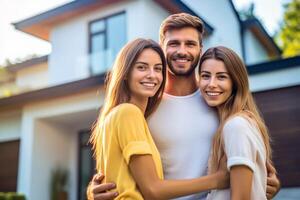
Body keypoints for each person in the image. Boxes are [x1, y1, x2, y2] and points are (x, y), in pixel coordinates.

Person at [88, 13, 280, 200]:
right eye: (173, 43)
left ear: (200, 49)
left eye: (190, 44)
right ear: (162, 48)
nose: (182, 51)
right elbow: (117, 165)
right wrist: (93, 191)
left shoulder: (217, 100)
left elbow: (250, 160)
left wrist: (268, 183)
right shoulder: (145, 104)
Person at [90, 38, 228, 200]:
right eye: (142, 67)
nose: (152, 75)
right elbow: (153, 190)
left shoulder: (117, 116)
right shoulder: (128, 113)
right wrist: (217, 180)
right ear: (125, 73)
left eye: (158, 69)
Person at [198, 46, 273, 200]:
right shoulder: (238, 122)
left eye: (221, 77)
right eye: (205, 76)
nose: (211, 84)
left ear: (235, 81)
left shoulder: (237, 125)